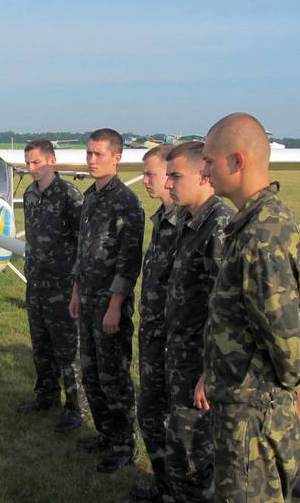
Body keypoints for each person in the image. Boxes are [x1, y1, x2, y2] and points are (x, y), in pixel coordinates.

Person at [200, 113, 300, 502]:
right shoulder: (256, 224)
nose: (204, 170)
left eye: (209, 161)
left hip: (253, 422)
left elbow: (290, 348)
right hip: (245, 411)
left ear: (237, 161)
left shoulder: (262, 236)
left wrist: (287, 393)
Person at [69, 128, 145, 473]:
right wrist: (75, 292)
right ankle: (105, 433)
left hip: (109, 304)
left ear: (117, 157)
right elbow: (82, 251)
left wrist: (115, 306)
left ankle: (124, 444)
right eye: (88, 153)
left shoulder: (125, 203)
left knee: (114, 376)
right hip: (87, 299)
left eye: (99, 154)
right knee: (91, 372)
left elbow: (129, 262)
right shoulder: (91, 198)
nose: (91, 160)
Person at [161, 141, 233, 503]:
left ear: (204, 176)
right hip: (180, 355)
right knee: (180, 443)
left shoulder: (218, 225)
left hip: (198, 364)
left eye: (175, 176)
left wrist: (209, 369)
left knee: (197, 453)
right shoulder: (189, 221)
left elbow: (224, 308)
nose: (167, 183)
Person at [16, 139, 85, 433]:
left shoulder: (69, 195)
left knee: (67, 350)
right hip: (36, 282)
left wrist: (76, 286)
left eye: (37, 163)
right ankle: (45, 397)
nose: (32, 169)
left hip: (62, 284)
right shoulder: (29, 195)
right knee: (41, 346)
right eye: (28, 163)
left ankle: (76, 408)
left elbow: (83, 243)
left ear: (51, 161)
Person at [130, 144, 178, 501]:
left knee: (180, 428)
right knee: (150, 416)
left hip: (180, 348)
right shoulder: (162, 220)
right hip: (154, 340)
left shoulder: (198, 223)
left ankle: (179, 491)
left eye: (151, 174)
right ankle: (163, 487)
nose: (144, 181)